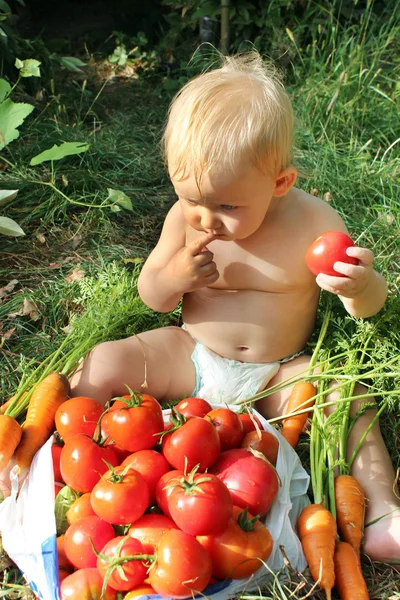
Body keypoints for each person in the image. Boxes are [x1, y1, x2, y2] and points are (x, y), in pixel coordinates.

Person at [70, 51, 399, 563]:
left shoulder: (314, 224)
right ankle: (57, 454)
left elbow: (368, 309)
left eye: (226, 207)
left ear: (280, 184)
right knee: (105, 360)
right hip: (193, 355)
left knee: (348, 398)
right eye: (191, 199)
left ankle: (381, 511)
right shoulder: (187, 218)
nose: (206, 219)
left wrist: (360, 286)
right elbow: (151, 295)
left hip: (278, 377)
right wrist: (175, 275)